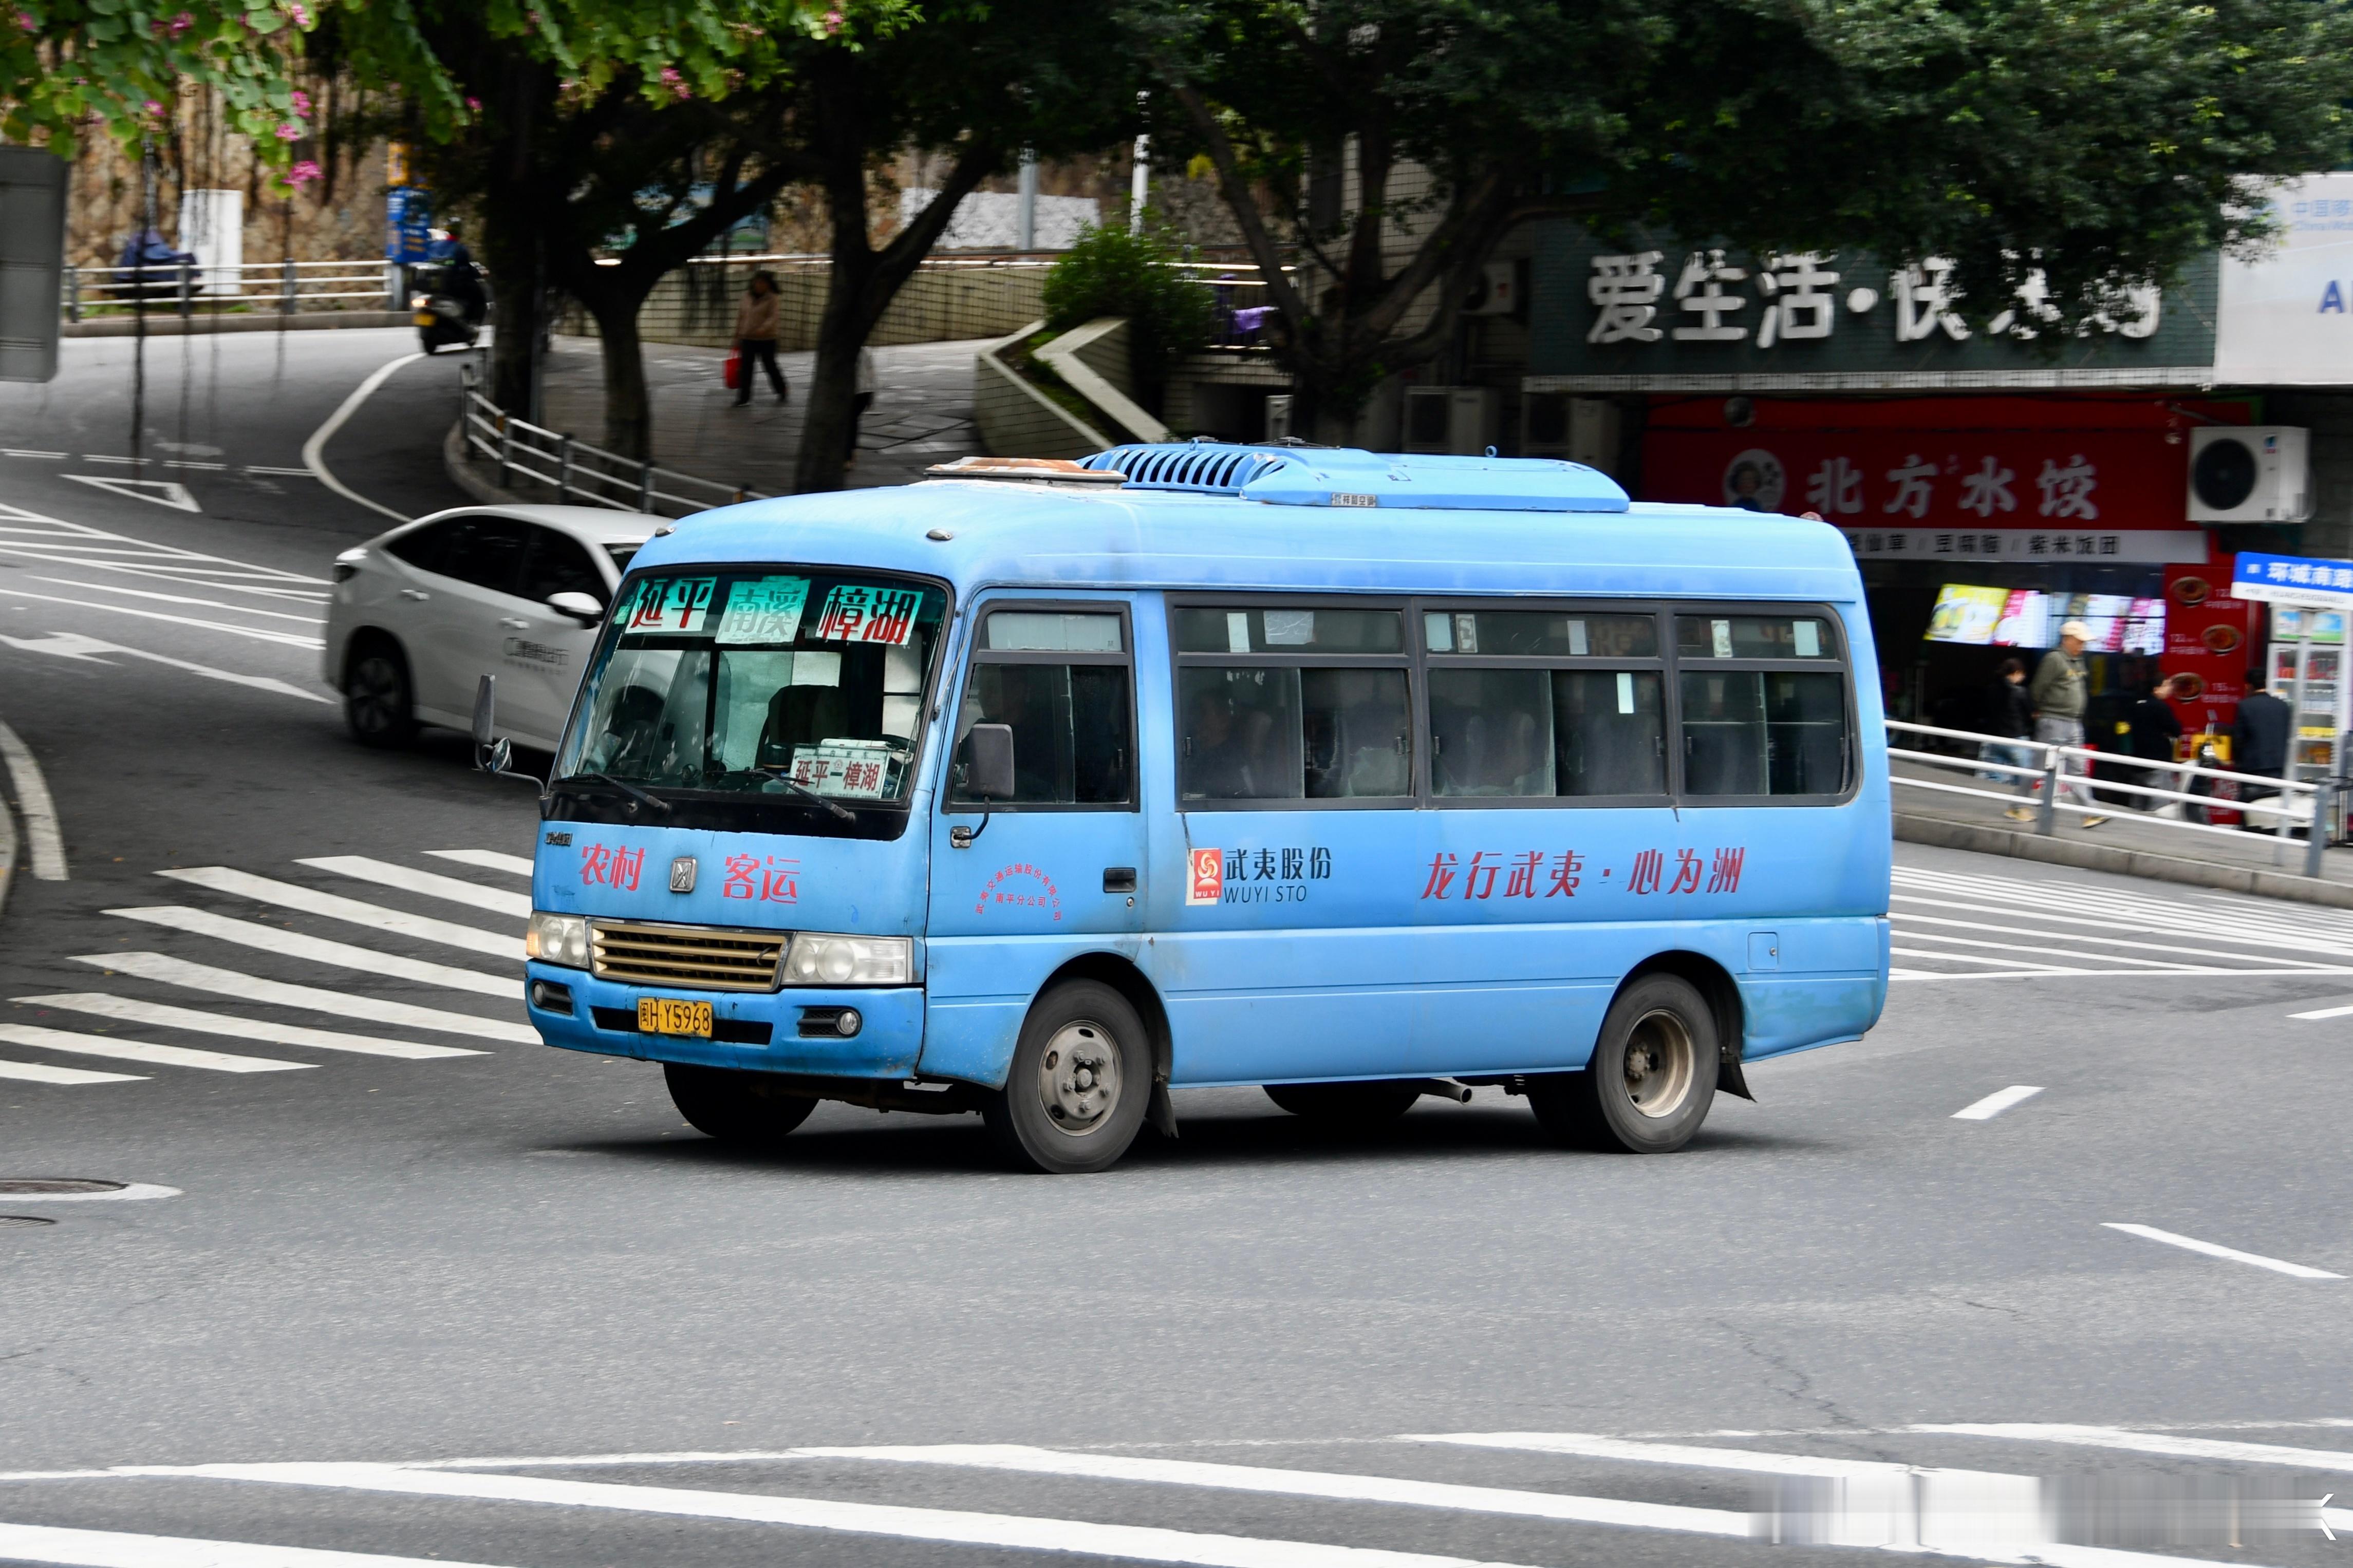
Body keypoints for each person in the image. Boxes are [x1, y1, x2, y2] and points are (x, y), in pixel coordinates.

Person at [2029, 618, 2107, 828]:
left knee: (2078, 767)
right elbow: (2037, 689)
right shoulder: (2053, 659)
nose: (2083, 646)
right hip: (2054, 720)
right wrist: (2043, 710)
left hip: (2074, 722)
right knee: (2039, 765)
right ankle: (2017, 806)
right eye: (2080, 641)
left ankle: (2089, 812)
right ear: (2068, 639)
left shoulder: (2078, 661)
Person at [2231, 673, 2293, 834]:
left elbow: (2238, 739)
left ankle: (2250, 832)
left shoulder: (2245, 706)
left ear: (2248, 686)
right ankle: (2272, 833)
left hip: (2252, 765)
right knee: (2274, 802)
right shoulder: (2282, 706)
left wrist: (2236, 761)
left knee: (2250, 804)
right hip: (2278, 764)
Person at [1984, 657, 2038, 821]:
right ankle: (2019, 809)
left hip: (1995, 740)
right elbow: (2032, 714)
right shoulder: (2020, 692)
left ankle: (2007, 809)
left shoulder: (1991, 689)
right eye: (2021, 675)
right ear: (2016, 673)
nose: (2022, 678)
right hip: (2017, 739)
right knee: (2025, 776)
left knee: (1995, 777)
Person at [2122, 675, 2185, 813]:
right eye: (2167, 685)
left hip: (2137, 762)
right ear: (2156, 689)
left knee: (2137, 806)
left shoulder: (2135, 705)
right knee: (2159, 808)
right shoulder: (2161, 707)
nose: (2170, 689)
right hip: (2158, 763)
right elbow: (2177, 730)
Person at [732, 272, 787, 406]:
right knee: (746, 369)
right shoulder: (746, 297)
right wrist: (737, 336)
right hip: (748, 338)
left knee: (770, 366)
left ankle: (781, 389)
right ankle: (744, 398)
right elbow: (741, 317)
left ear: (768, 284)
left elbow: (773, 318)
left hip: (767, 339)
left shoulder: (773, 298)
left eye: (763, 283)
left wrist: (762, 329)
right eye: (757, 282)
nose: (759, 285)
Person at [843, 346, 877, 468]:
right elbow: (872, 374)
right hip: (864, 392)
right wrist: (872, 394)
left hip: (857, 392)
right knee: (852, 422)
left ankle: (848, 455)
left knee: (849, 423)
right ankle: (851, 452)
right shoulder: (866, 351)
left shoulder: (844, 351)